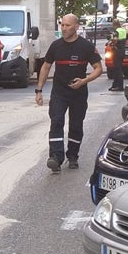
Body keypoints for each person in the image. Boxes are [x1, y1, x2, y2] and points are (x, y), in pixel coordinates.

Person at [35, 13, 103, 173]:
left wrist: (83, 81)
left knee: (76, 126)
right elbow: (46, 66)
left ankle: (73, 156)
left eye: (67, 25)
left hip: (79, 94)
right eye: (62, 25)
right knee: (56, 121)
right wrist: (39, 90)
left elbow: (98, 69)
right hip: (59, 92)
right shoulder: (56, 46)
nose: (64, 28)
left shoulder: (86, 46)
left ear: (76, 27)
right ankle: (56, 158)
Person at [108, 19, 128, 91]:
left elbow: (115, 39)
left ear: (114, 25)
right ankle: (115, 85)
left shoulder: (116, 31)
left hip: (116, 51)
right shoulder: (123, 30)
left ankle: (120, 86)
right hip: (122, 51)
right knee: (117, 68)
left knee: (117, 69)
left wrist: (112, 44)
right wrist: (123, 45)